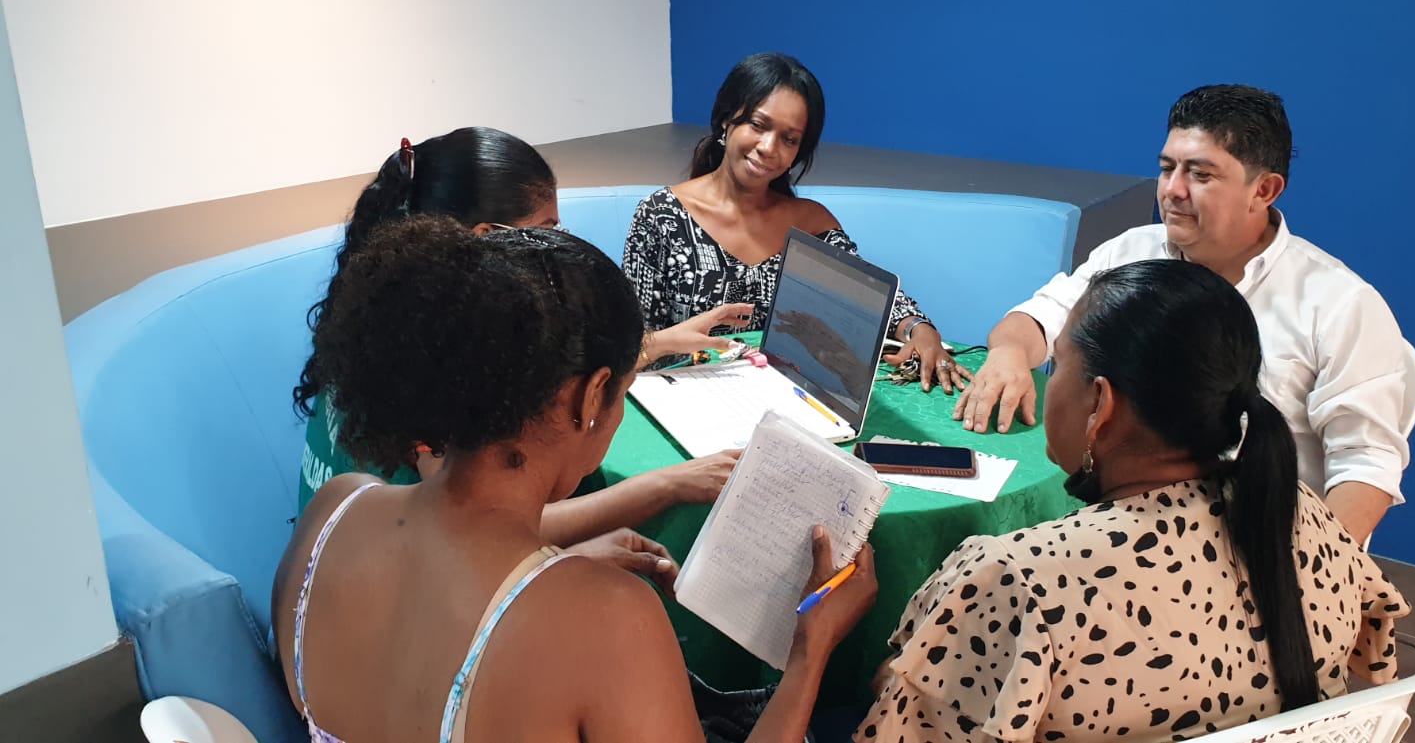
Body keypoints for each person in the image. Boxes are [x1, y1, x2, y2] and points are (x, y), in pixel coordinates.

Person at [275, 217, 878, 742]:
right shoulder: (609, 618)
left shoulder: (335, 509)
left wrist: (557, 575)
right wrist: (810, 650)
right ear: (591, 396)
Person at [857, 260, 1409, 743]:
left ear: (1101, 404)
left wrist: (843, 656)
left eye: (1059, 365)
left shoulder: (1017, 581)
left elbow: (903, 726)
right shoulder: (1308, 517)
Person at [955, 85, 1409, 543]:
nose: (1172, 190)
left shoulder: (1341, 304)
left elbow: (1366, 464)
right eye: (1167, 168)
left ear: (1264, 190)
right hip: (1117, 527)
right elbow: (1041, 317)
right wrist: (1010, 353)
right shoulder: (1131, 252)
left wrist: (1314, 569)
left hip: (1255, 544)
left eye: (1201, 174)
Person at [295, 127, 753, 549]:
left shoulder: (394, 320)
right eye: (547, 231)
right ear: (489, 239)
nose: (557, 246)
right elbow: (483, 530)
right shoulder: (436, 375)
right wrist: (666, 484)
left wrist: (660, 342)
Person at [622, 52, 970, 394]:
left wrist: (919, 330)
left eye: (789, 139)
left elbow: (870, 298)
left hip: (788, 397)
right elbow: (625, 350)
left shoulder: (810, 223)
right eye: (758, 125)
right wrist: (669, 341)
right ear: (726, 121)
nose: (768, 147)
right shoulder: (661, 216)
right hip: (683, 398)